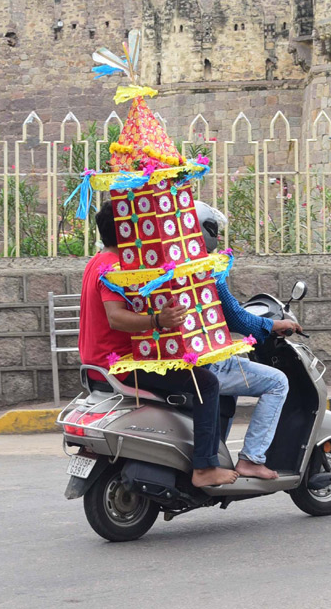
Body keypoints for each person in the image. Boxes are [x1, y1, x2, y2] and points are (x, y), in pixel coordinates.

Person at [78, 201, 238, 488]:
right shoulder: (115, 267)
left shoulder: (95, 261)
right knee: (207, 384)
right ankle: (204, 467)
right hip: (119, 364)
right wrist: (158, 321)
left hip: (97, 363)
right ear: (127, 231)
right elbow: (116, 318)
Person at [195, 201, 302, 480]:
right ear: (204, 231)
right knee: (278, 382)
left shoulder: (169, 265)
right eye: (214, 232)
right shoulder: (208, 269)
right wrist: (277, 324)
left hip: (180, 358)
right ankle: (251, 459)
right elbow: (237, 319)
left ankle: (219, 453)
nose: (217, 239)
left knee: (232, 381)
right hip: (207, 361)